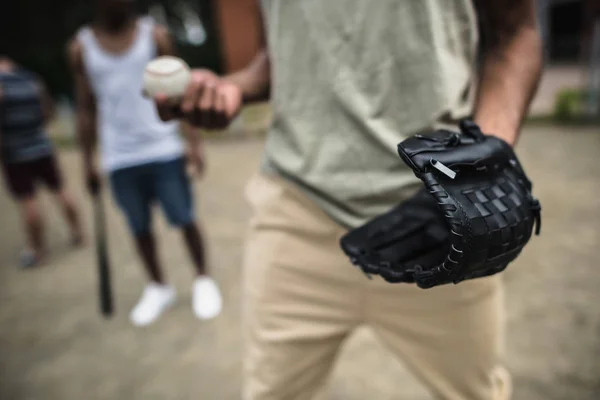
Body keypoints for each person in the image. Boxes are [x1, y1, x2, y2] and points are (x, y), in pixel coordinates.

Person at [156, 0, 543, 398]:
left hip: (444, 225)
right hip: (296, 215)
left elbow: (514, 34)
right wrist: (234, 87)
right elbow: (282, 52)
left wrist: (482, 169)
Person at [67, 0, 222, 327]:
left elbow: (182, 90)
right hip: (119, 155)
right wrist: (87, 161)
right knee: (139, 227)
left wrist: (193, 141)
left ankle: (203, 279)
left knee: (184, 218)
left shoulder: (157, 36)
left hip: (164, 147)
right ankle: (158, 286)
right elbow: (85, 107)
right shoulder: (81, 48)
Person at [0, 56, 83, 268]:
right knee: (61, 190)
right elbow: (48, 112)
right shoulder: (31, 80)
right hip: (42, 145)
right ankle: (78, 233)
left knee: (28, 200)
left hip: (15, 152)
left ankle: (37, 249)